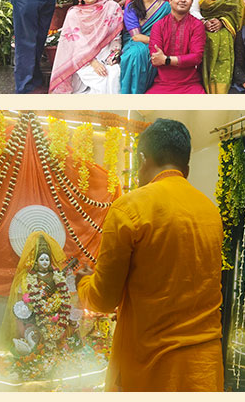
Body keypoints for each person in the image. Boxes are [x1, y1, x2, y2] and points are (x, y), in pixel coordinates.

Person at [76, 119, 223, 391]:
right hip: (205, 368)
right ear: (186, 168)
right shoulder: (210, 209)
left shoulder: (129, 208)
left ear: (142, 159)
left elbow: (104, 300)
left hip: (152, 369)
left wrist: (83, 283)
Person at [0, 231, 73, 367]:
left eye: (47, 260)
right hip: (36, 312)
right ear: (36, 261)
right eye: (42, 260)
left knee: (59, 332)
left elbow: (62, 292)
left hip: (55, 312)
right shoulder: (29, 276)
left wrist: (54, 303)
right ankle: (37, 356)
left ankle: (56, 357)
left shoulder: (56, 275)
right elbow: (25, 294)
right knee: (34, 334)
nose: (45, 262)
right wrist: (33, 301)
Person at [49, 0, 123, 94]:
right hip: (83, 58)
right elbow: (77, 44)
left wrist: (113, 56)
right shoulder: (74, 14)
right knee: (99, 79)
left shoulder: (111, 7)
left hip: (107, 53)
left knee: (114, 73)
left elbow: (116, 37)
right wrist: (92, 62)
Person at [192, 0, 244, 94]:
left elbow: (237, 11)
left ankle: (222, 90)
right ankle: (207, 88)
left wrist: (222, 22)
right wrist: (204, 22)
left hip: (226, 27)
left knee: (223, 41)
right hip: (203, 27)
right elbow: (193, 9)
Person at [146, 0, 206, 94]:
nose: (183, 0)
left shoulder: (197, 25)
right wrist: (163, 59)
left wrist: (166, 60)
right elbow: (155, 59)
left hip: (190, 84)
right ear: (170, 0)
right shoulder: (158, 26)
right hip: (163, 84)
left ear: (192, 2)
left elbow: (196, 57)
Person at [120, 0, 171, 94]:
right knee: (135, 54)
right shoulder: (132, 7)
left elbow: (170, 30)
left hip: (159, 42)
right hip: (135, 42)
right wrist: (156, 42)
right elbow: (136, 36)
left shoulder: (165, 7)